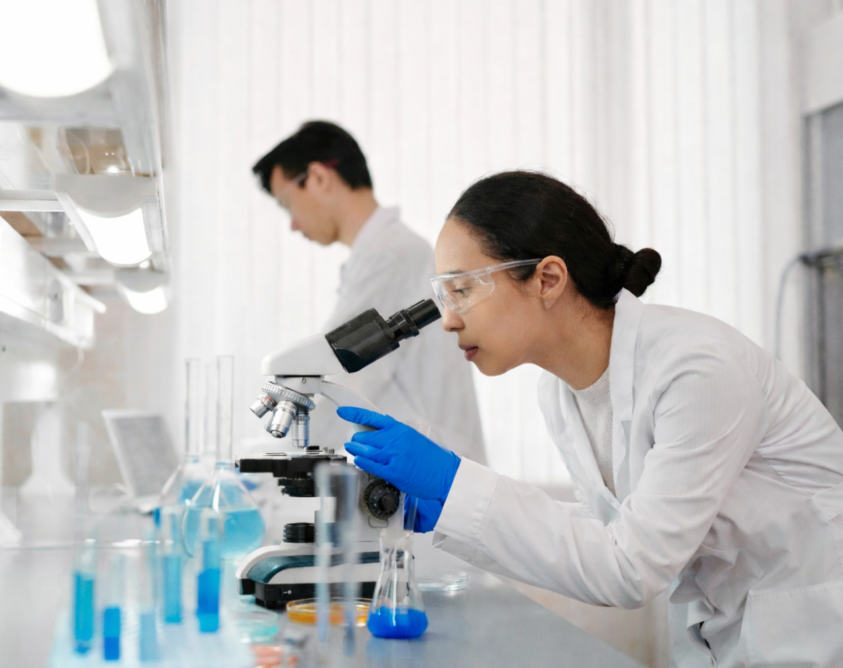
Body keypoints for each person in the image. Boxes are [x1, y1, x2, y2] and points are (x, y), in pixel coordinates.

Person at [339, 171, 843, 667]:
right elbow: (611, 531)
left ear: (548, 279)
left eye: (463, 290)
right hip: (729, 633)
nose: (448, 320)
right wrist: (452, 510)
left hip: (814, 629)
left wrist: (456, 483)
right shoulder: (559, 392)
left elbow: (630, 566)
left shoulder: (696, 369)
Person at [253, 121, 486, 463]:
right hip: (424, 463)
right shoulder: (383, 254)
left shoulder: (391, 257)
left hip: (434, 469)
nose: (293, 224)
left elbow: (342, 374)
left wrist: (272, 455)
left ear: (318, 177)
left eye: (287, 204)